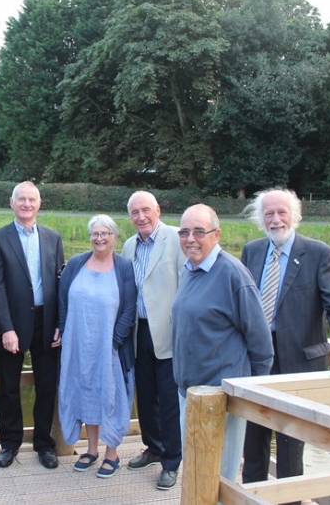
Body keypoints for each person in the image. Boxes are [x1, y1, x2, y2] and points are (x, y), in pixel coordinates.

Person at [240, 188, 330, 498]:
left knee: (290, 447)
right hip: (257, 360)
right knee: (252, 442)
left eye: (282, 212)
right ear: (260, 218)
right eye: (269, 213)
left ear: (295, 215)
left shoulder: (318, 253)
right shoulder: (251, 252)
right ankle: (252, 499)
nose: (276, 219)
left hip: (298, 363)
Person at [172, 204, 274, 482]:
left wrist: (246, 393)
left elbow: (261, 343)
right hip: (189, 392)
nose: (190, 238)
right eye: (184, 232)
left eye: (198, 231)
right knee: (195, 473)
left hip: (221, 396)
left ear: (216, 235)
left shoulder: (232, 274)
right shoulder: (190, 269)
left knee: (218, 478)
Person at [0, 181, 64, 470]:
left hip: (46, 322)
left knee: (46, 386)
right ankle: (9, 444)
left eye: (32, 199)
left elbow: (60, 284)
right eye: (21, 199)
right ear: (11, 203)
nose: (27, 204)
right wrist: (5, 328)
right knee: (8, 387)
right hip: (13, 324)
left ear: (39, 204)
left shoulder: (53, 238)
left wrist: (60, 323)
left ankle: (44, 444)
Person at [57, 215, 137, 479]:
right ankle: (91, 449)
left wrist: (114, 341)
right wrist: (63, 329)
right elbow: (63, 300)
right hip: (78, 345)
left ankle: (111, 453)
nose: (100, 238)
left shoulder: (124, 267)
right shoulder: (77, 264)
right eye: (95, 233)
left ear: (115, 236)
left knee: (112, 396)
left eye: (105, 233)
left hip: (109, 347)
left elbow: (129, 308)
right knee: (86, 392)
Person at [121, 191, 186, 490]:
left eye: (146, 210)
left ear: (158, 209)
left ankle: (172, 461)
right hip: (139, 331)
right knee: (145, 396)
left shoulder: (176, 239)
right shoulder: (128, 245)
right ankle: (153, 447)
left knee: (169, 400)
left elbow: (188, 285)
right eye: (135, 212)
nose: (141, 217)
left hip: (169, 331)